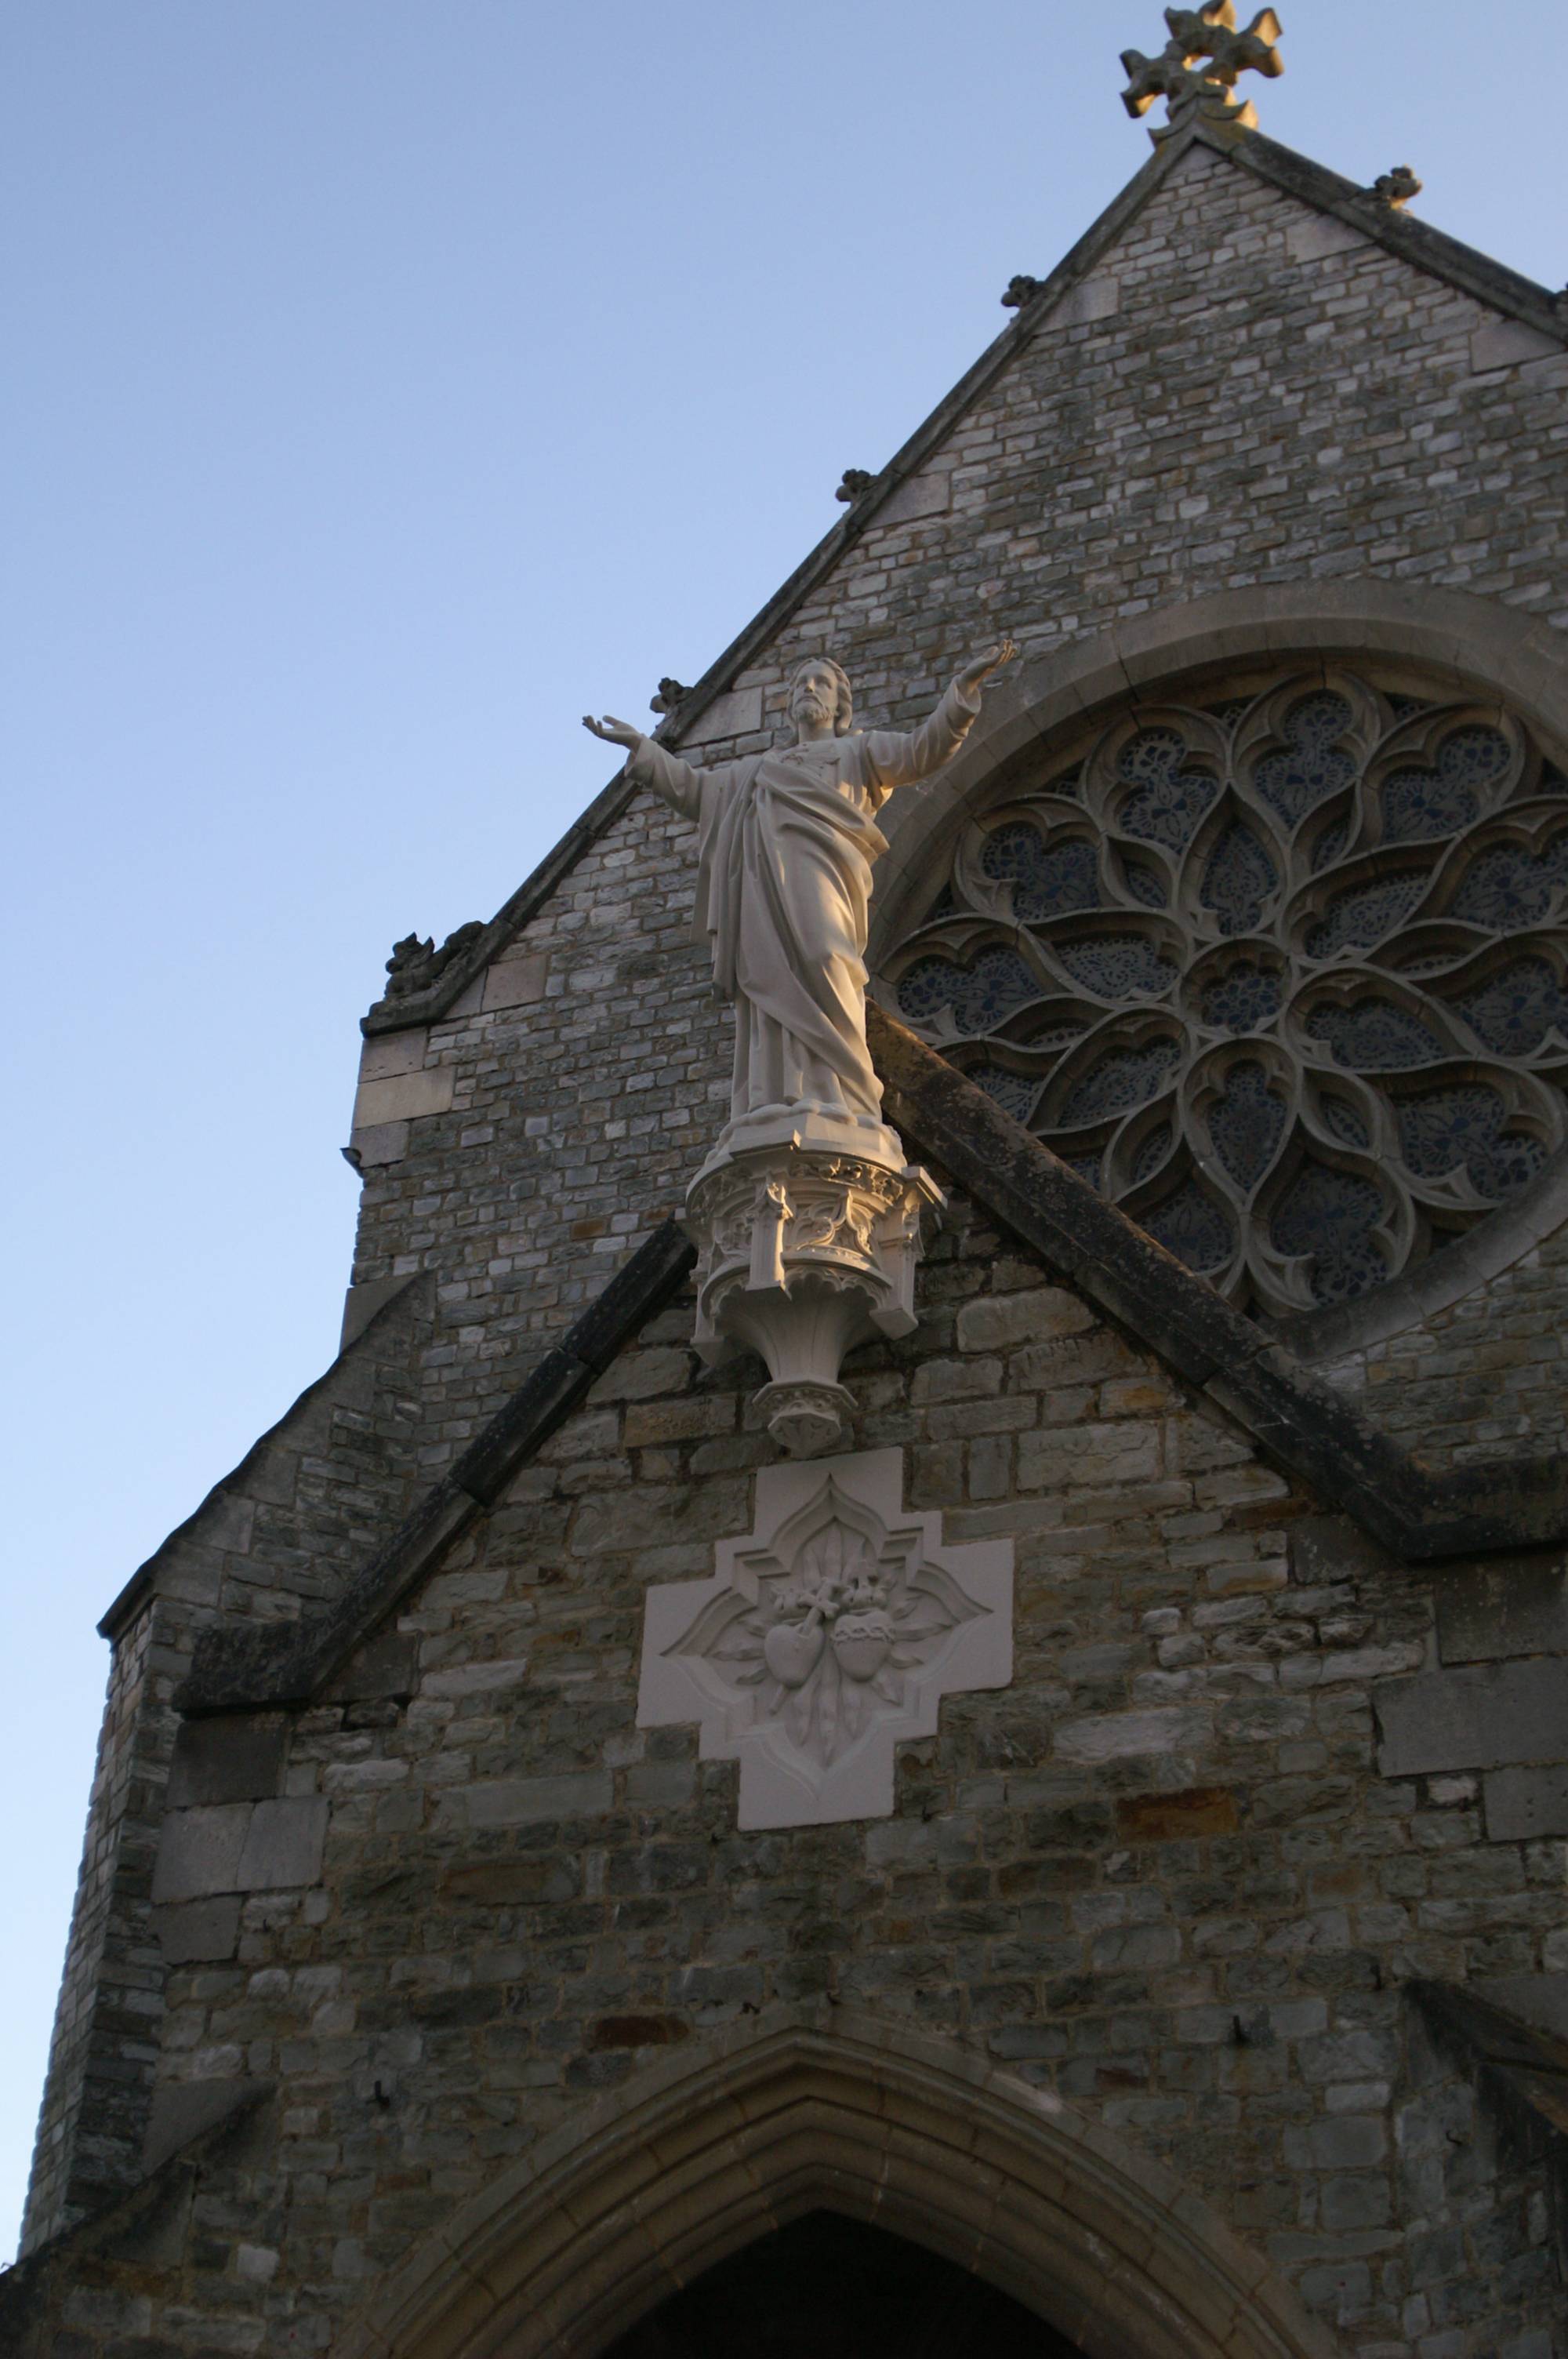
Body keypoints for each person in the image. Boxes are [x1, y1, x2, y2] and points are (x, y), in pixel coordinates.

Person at [584, 642, 1015, 1168]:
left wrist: (961, 695)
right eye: (801, 684)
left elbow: (923, 751)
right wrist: (642, 748)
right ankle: (775, 1096)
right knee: (767, 984)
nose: (809, 689)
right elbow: (694, 790)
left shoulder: (860, 753)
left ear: (839, 703)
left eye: (821, 683)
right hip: (763, 897)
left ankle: (845, 1093)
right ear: (790, 704)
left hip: (828, 884)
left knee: (828, 960)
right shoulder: (756, 773)